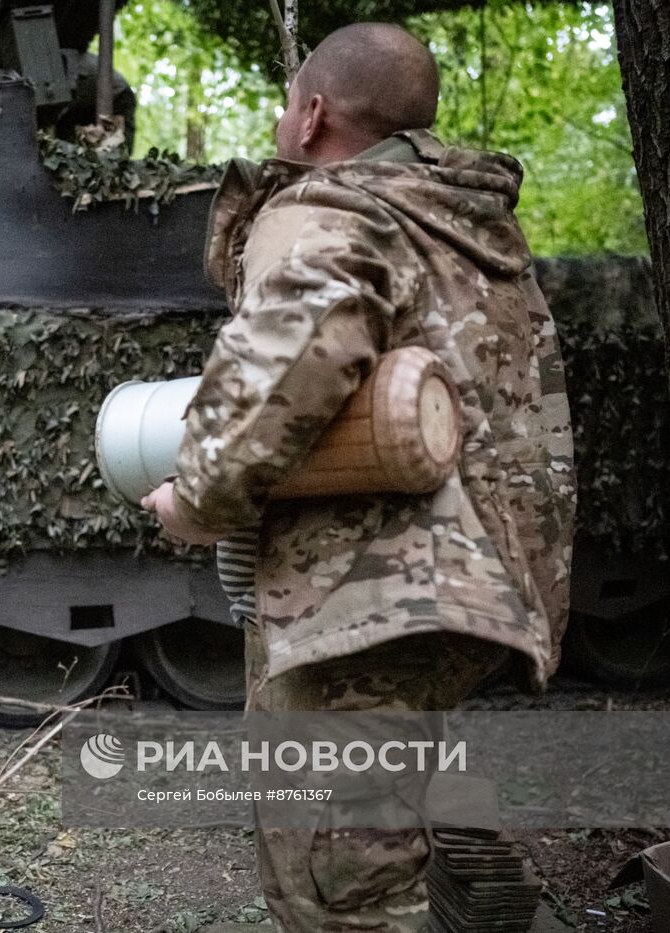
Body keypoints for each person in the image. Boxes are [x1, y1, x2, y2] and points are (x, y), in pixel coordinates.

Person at [142, 22, 575, 933]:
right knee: (381, 820)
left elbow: (286, 358)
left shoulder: (330, 209)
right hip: (475, 586)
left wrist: (196, 499)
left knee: (341, 888)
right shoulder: (465, 220)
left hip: (366, 599)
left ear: (311, 114)